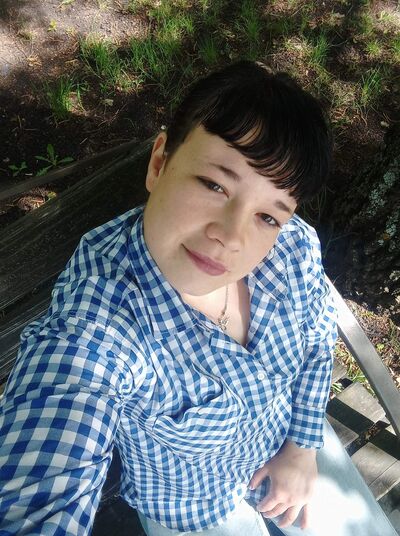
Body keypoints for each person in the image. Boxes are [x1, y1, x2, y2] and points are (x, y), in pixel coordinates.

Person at [0, 61, 396, 536]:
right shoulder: (101, 321)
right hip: (192, 506)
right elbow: (47, 464)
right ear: (159, 163)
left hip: (296, 445)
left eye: (268, 216)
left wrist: (303, 446)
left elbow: (315, 335)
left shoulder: (291, 248)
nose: (231, 236)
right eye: (214, 185)